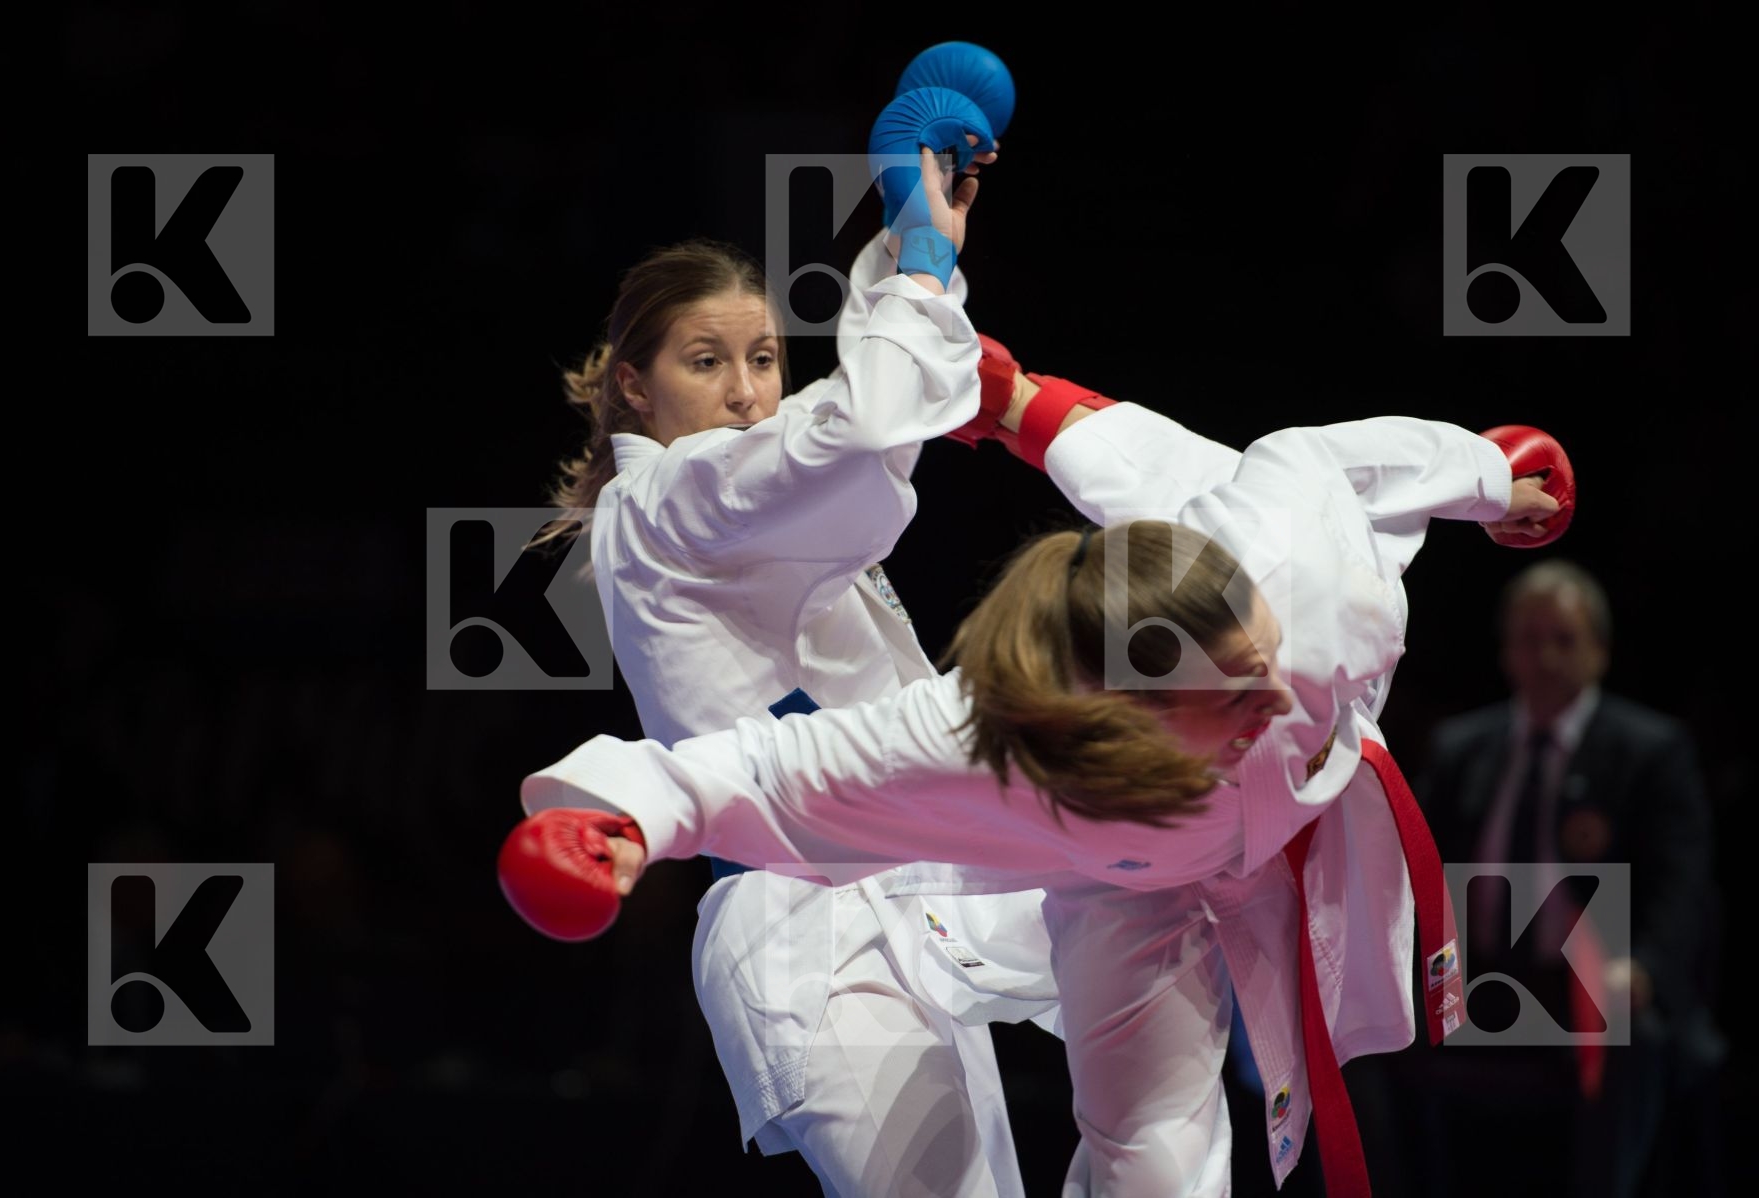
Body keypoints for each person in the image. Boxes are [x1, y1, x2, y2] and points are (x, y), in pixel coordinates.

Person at [522, 394, 1565, 1194]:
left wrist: (1486, 473)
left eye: (1265, 658)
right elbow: (768, 767)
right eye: (1235, 691)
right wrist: (615, 820)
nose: (1277, 694)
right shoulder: (995, 747)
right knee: (1154, 1159)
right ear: (1120, 713)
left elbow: (1318, 457)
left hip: (1288, 831)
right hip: (1124, 887)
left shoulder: (1300, 566)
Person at [521, 98, 1069, 1196]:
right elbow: (860, 429)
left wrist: (917, 250)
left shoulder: (748, 510)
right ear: (634, 385)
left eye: (764, 358)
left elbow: (863, 432)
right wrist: (918, 262)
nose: (745, 392)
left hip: (915, 902)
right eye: (706, 362)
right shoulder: (668, 496)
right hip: (812, 930)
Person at [1411, 559, 1725, 1198]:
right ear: (1506, 652)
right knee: (1381, 1033)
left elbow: (1682, 885)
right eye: (1529, 640)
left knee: (1638, 1038)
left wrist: (1643, 969)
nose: (1546, 657)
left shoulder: (1650, 750)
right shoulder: (1461, 748)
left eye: (1564, 639)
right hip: (1481, 980)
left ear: (1599, 651)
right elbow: (1416, 872)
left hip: (1596, 988)